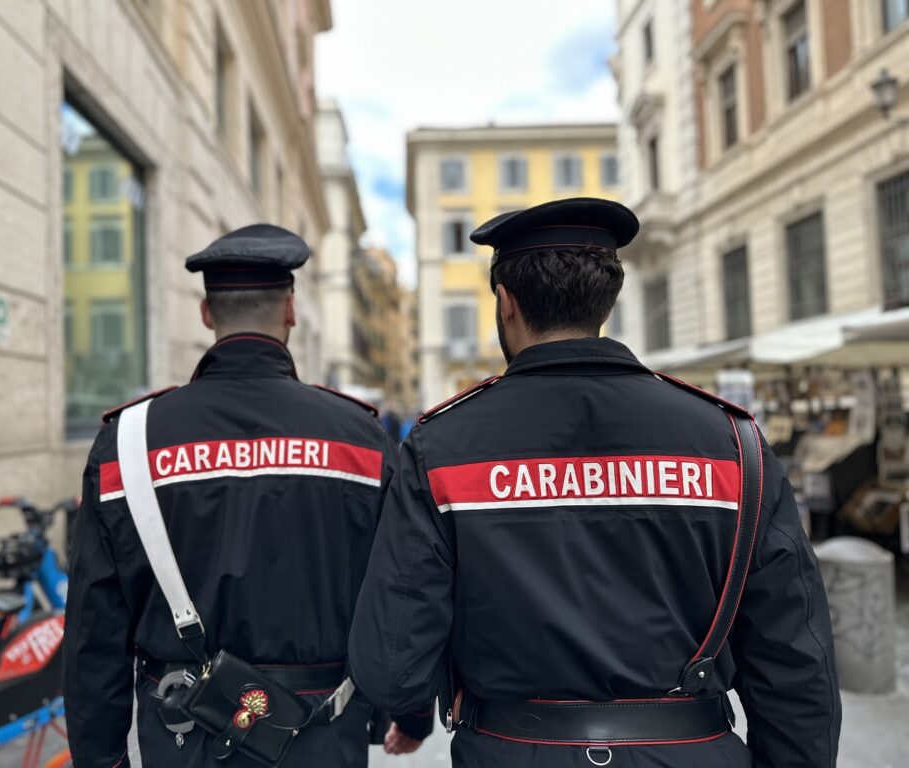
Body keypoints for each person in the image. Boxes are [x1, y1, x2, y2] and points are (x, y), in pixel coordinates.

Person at [348, 198, 841, 767]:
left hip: (512, 752)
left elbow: (391, 669)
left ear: (506, 304)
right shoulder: (733, 442)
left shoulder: (439, 448)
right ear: (608, 298)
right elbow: (797, 665)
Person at [64, 224, 430, 767]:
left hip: (182, 734)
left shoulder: (127, 443)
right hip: (320, 732)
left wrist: (102, 759)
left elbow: (94, 626)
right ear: (291, 310)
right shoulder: (361, 439)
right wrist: (412, 709)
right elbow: (403, 592)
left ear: (207, 314)